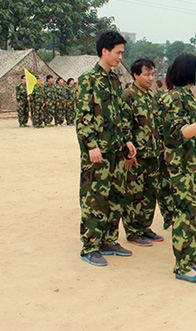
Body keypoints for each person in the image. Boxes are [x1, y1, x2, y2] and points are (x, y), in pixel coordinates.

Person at [76, 31, 136, 267]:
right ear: (105, 51)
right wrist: (91, 145)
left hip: (116, 150)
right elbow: (83, 117)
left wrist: (127, 140)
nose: (121, 57)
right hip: (97, 152)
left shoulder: (114, 80)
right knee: (95, 198)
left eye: (122, 52)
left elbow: (119, 114)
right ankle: (90, 246)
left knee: (115, 196)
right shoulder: (88, 80)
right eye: (118, 52)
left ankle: (109, 240)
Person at [162, 53, 196, 283]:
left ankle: (195, 259)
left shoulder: (189, 96)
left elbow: (193, 130)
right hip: (182, 167)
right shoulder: (173, 98)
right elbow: (180, 132)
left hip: (195, 165)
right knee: (185, 215)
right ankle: (182, 266)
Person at [121, 58, 164, 247]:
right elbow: (124, 126)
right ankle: (133, 231)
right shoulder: (128, 96)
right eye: (147, 74)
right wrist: (127, 154)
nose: (151, 78)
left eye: (153, 74)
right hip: (136, 155)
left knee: (150, 193)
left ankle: (145, 226)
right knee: (134, 193)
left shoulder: (150, 96)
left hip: (152, 153)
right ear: (136, 75)